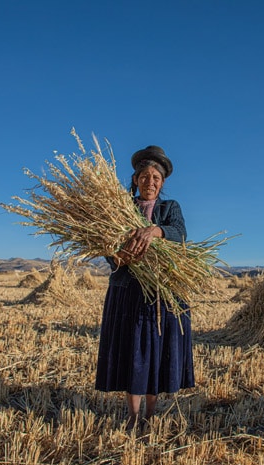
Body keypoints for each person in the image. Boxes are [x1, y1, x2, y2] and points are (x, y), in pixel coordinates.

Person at [95, 145, 195, 431]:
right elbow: (107, 247)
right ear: (136, 179)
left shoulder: (169, 208)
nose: (150, 182)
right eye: (145, 176)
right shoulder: (121, 209)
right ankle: (132, 415)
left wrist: (154, 230)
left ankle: (150, 415)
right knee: (132, 351)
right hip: (128, 290)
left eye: (156, 178)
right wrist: (118, 257)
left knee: (155, 351)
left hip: (162, 292)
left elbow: (180, 233)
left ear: (162, 183)